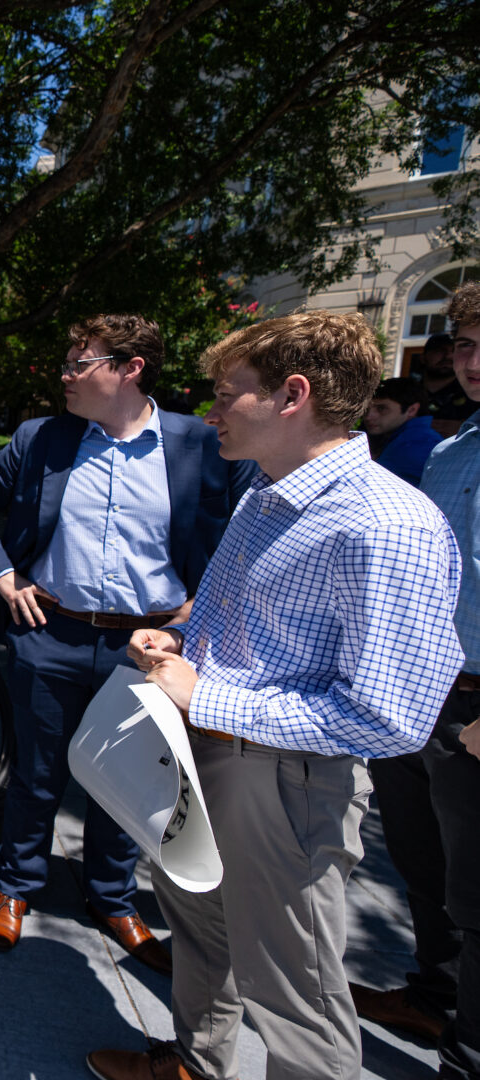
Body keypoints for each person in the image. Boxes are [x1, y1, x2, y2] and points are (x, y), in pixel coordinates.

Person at [88, 310, 465, 1080]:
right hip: (210, 761)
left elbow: (391, 717)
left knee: (293, 992)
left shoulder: (386, 524)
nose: (211, 410)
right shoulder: (266, 494)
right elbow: (235, 622)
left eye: (228, 394)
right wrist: (179, 642)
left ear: (292, 396)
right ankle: (196, 1066)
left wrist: (211, 702)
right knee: (202, 935)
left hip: (284, 782)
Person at [0, 313, 253, 973]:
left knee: (125, 782)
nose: (65, 374)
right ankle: (16, 886)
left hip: (151, 649)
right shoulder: (43, 439)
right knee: (37, 775)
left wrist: (199, 612)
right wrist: (5, 578)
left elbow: (245, 536)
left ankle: (112, 898)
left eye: (78, 362)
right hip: (50, 634)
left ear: (130, 368)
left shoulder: (201, 444)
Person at [352, 281, 480, 1079]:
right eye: (462, 346)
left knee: (477, 895)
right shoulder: (449, 449)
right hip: (424, 695)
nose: (469, 362)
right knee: (421, 861)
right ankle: (433, 997)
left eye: (479, 345)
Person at [363, 376, 442, 484]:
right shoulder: (415, 438)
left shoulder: (415, 444)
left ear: (411, 410)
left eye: (381, 408)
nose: (368, 416)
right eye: (366, 409)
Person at [421, 333, 474, 436]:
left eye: (454, 351)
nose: (448, 356)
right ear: (423, 358)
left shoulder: (474, 393)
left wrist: (467, 428)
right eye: (439, 351)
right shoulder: (407, 392)